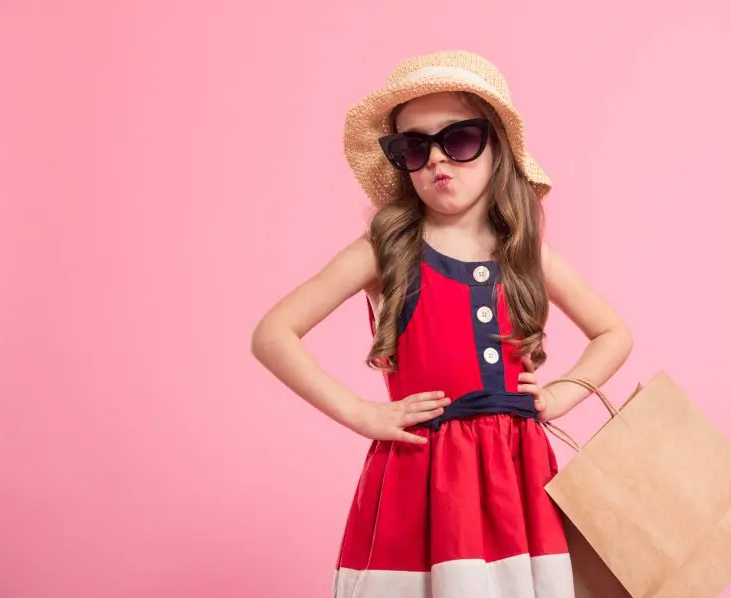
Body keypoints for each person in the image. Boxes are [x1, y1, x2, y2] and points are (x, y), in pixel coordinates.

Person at [251, 50, 633, 598]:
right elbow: (273, 333)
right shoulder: (386, 251)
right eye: (414, 146)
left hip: (516, 478)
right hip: (423, 478)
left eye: (458, 140)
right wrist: (361, 413)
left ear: (496, 146)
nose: (436, 160)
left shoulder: (525, 253)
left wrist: (562, 394)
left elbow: (613, 331)